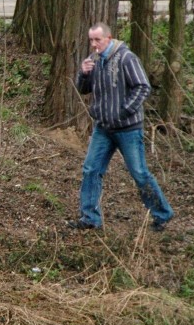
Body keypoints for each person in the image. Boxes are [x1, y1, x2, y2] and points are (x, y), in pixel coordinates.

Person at [68, 22, 174, 232]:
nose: (94, 44)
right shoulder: (94, 61)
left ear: (109, 38)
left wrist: (125, 110)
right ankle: (90, 218)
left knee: (139, 173)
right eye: (91, 40)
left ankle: (162, 215)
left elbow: (143, 87)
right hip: (103, 128)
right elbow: (83, 89)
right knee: (91, 170)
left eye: (98, 40)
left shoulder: (126, 58)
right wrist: (83, 73)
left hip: (128, 129)